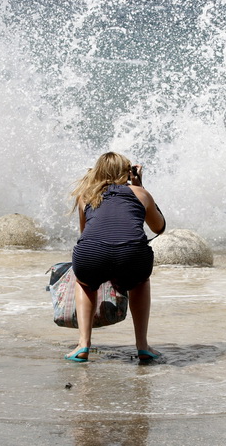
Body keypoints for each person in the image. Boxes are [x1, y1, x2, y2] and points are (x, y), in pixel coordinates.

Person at [65, 151, 166, 363]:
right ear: (128, 172)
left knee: (84, 282)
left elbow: (87, 234)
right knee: (139, 282)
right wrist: (140, 185)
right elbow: (159, 227)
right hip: (132, 256)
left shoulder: (86, 196)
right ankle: (143, 346)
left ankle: (83, 344)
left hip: (91, 255)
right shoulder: (140, 193)